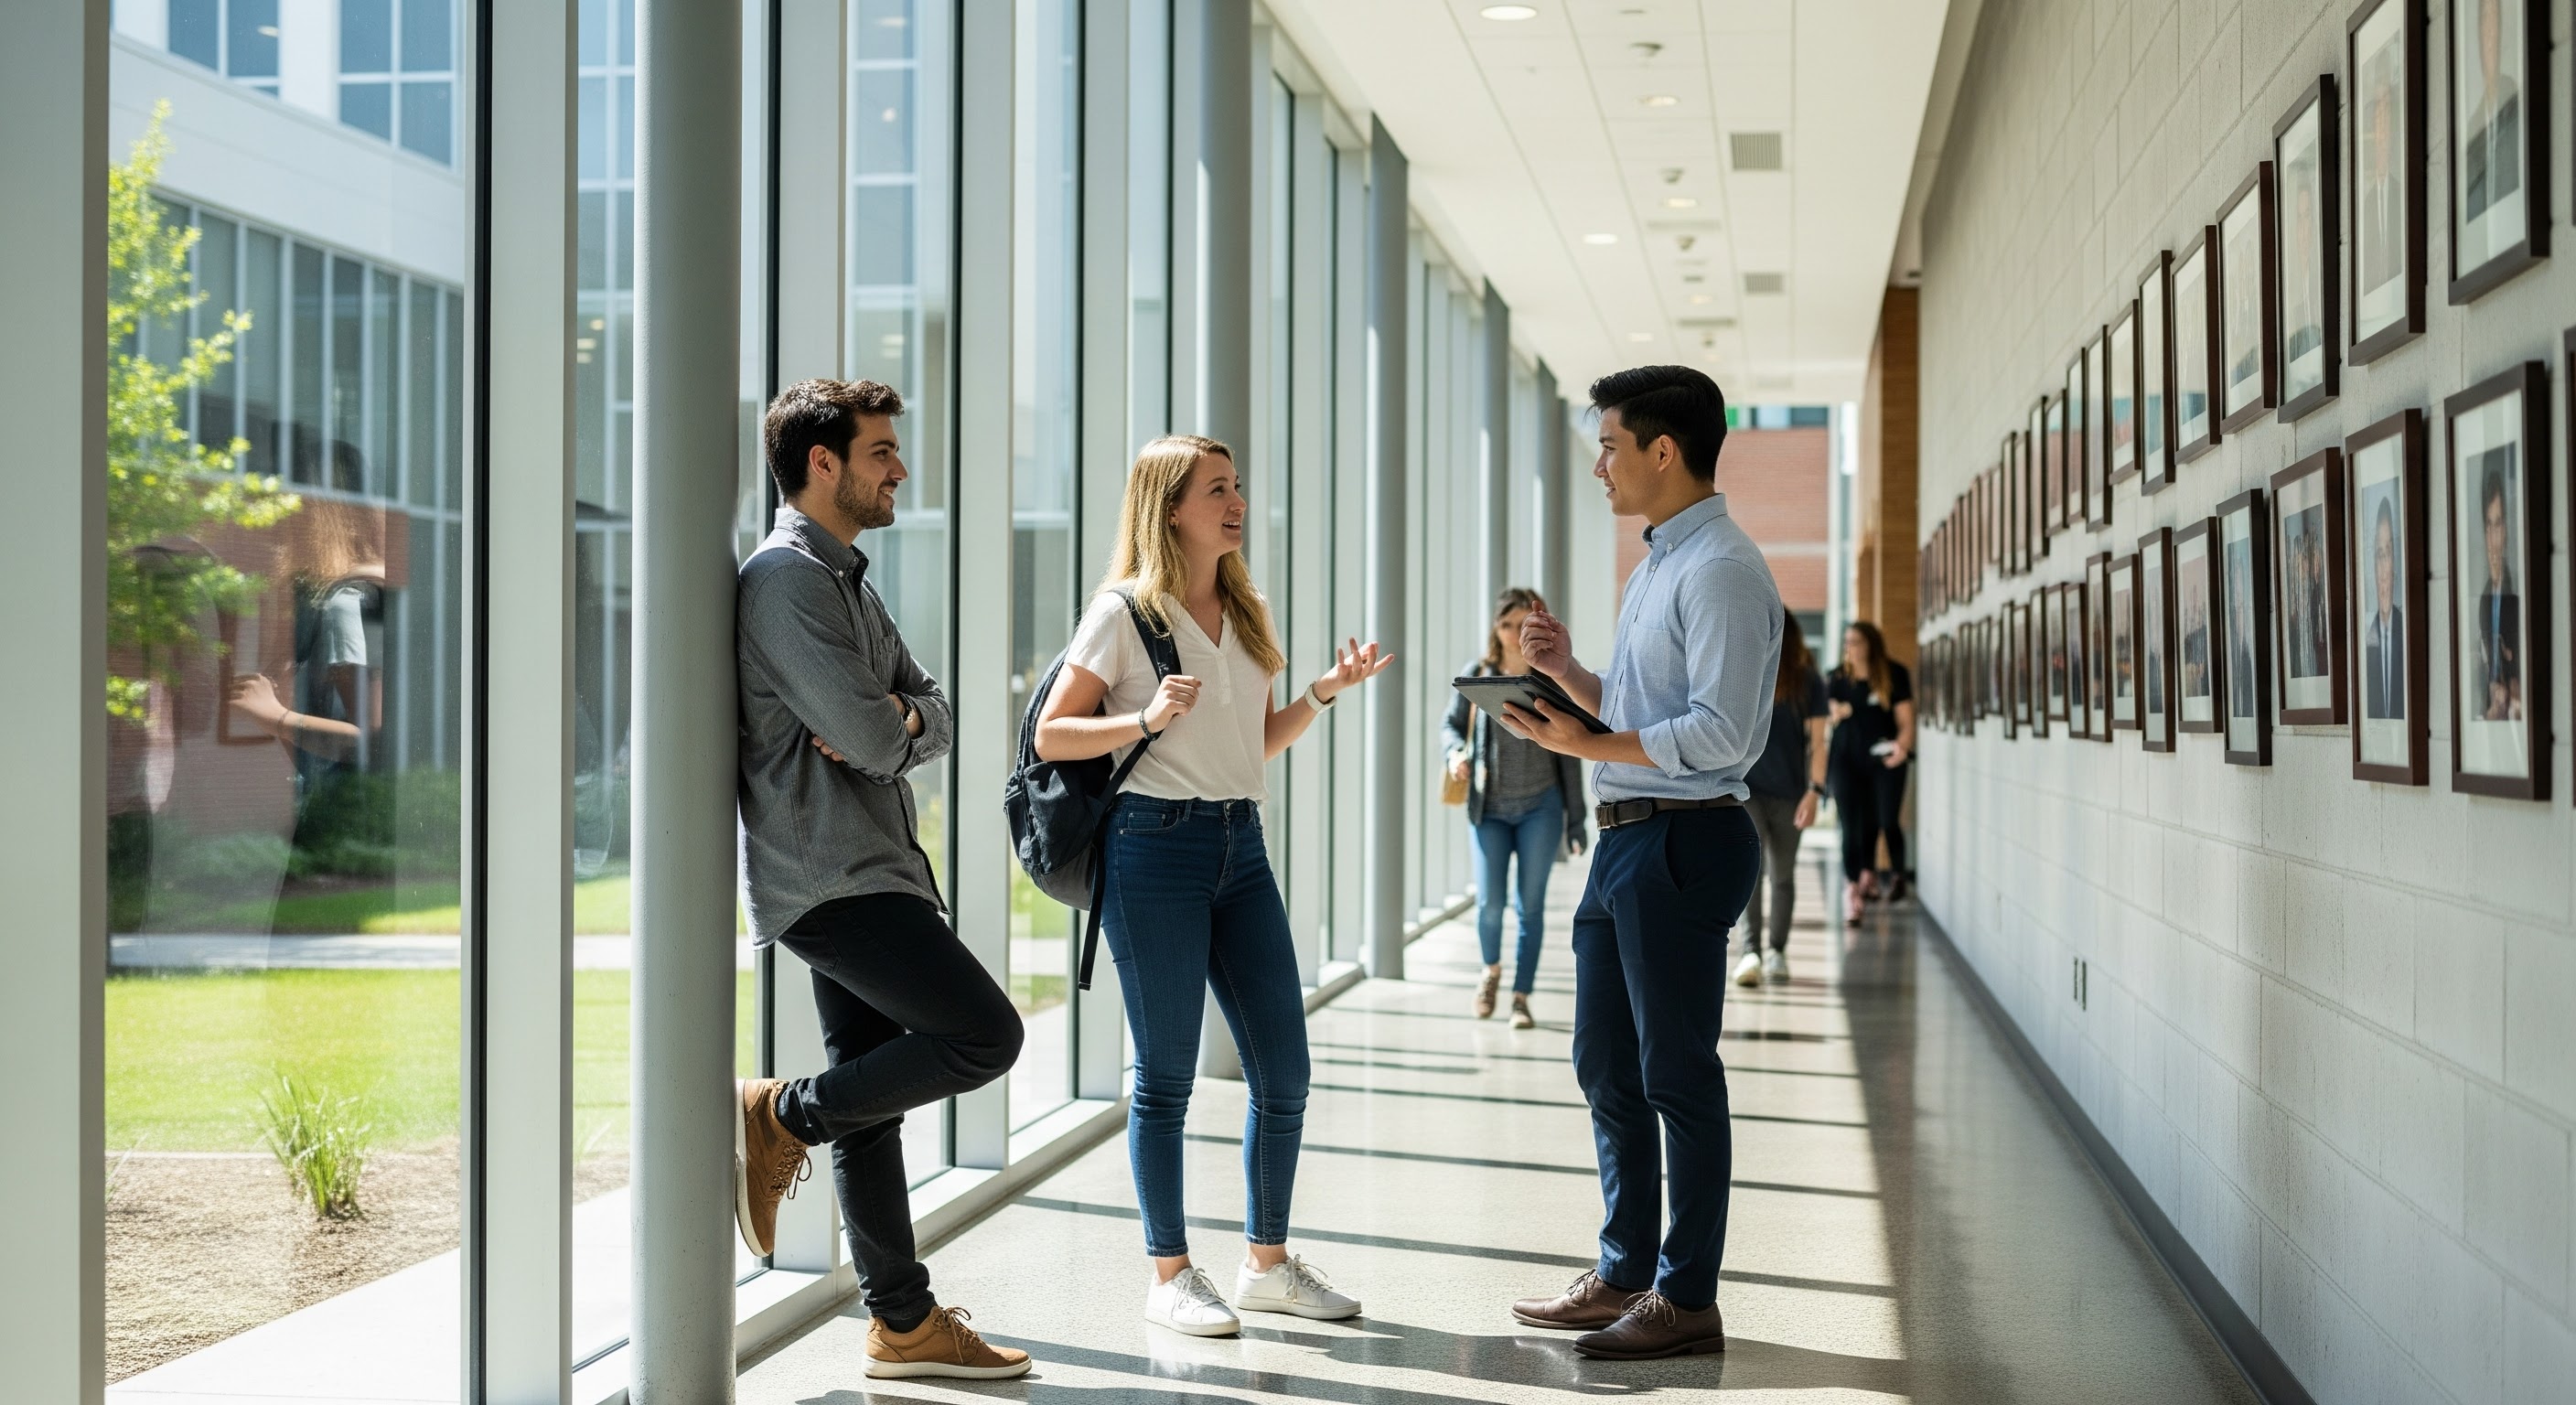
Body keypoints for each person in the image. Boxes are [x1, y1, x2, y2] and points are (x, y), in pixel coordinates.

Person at [1034, 434, 1391, 1338]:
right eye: (1215, 490)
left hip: (1241, 845)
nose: (1235, 503)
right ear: (1168, 508)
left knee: (1284, 1068)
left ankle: (1265, 1265)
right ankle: (1169, 1275)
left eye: (1236, 488)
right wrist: (1142, 716)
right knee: (1164, 1076)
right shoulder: (1123, 613)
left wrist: (1318, 692)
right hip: (1152, 851)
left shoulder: (1243, 605)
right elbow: (1050, 735)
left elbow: (1249, 744)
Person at [731, 379, 1032, 1381]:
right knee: (986, 1034)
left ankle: (901, 1324)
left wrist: (900, 721)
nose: (899, 469)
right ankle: (784, 1114)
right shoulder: (786, 579)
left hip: (871, 863)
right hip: (830, 876)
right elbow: (871, 727)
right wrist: (892, 721)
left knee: (878, 1105)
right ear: (822, 463)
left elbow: (929, 710)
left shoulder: (844, 575)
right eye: (880, 452)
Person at [1500, 365, 1779, 1361]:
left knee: (1675, 1074)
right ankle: (1623, 1270)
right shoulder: (1657, 563)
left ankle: (1685, 1297)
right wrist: (1569, 675)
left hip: (1682, 838)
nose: (1597, 466)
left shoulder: (1722, 571)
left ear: (1664, 450)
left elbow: (1719, 733)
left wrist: (1581, 748)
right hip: (1627, 842)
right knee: (1604, 1066)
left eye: (1609, 445)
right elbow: (1640, 704)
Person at [1444, 586, 1588, 1028]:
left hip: (1539, 809)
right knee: (1489, 903)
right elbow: (1451, 725)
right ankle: (1491, 973)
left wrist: (1576, 819)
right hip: (1489, 807)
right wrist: (1455, 755)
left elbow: (1570, 748)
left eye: (1521, 624)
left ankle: (1521, 996)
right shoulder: (1479, 672)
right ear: (1496, 627)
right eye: (1505, 624)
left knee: (1531, 905)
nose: (1511, 633)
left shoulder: (1551, 678)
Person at [1733, 610, 1826, 988]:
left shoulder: (1808, 681)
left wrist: (1815, 791)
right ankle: (1750, 952)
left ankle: (1777, 951)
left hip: (1791, 794)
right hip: (1747, 792)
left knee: (1783, 876)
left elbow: (1819, 743)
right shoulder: (1744, 676)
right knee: (1752, 874)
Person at [1826, 621, 1915, 925]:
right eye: (1846, 641)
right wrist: (1836, 711)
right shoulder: (1837, 678)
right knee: (1850, 824)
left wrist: (1901, 748)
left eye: (1856, 641)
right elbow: (1825, 715)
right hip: (1845, 760)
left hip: (1882, 760)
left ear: (1871, 644)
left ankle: (1888, 876)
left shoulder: (1893, 674)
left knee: (1882, 820)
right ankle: (1853, 889)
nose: (1850, 647)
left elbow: (1905, 721)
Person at [2475, 462, 2521, 720]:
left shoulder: (2514, 597)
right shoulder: (2483, 600)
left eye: (2499, 525)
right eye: (2488, 526)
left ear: (2506, 532)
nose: (2493, 539)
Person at [2365, 500, 2405, 719]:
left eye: (2388, 553)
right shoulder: (2368, 644)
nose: (2383, 572)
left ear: (2396, 564)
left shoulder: (2407, 636)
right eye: (2379, 555)